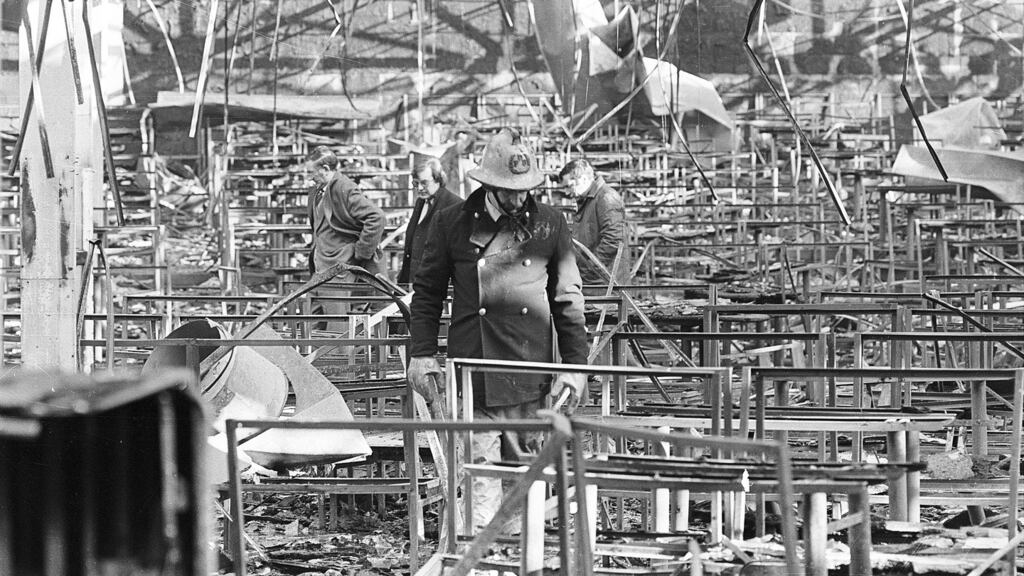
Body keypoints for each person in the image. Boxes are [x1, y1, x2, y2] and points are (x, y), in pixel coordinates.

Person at [406, 128, 588, 530]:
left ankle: (520, 557)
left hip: (530, 369)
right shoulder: (451, 223)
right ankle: (480, 557)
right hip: (475, 368)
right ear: (487, 184)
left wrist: (576, 367)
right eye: (508, 191)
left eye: (525, 190)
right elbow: (427, 293)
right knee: (478, 470)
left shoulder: (550, 224)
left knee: (525, 472)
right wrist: (421, 354)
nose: (518, 199)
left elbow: (568, 299)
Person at [305, 146, 386, 330]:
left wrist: (360, 253)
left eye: (312, 172)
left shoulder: (344, 187)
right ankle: (311, 358)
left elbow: (376, 218)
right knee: (313, 322)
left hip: (338, 267)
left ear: (325, 169)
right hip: (321, 266)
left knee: (338, 326)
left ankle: (339, 359)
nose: (309, 176)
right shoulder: (318, 190)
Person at [558, 158, 631, 286]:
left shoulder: (606, 197)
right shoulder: (588, 200)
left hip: (605, 284)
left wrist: (589, 269)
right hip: (595, 281)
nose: (567, 192)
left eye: (569, 186)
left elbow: (613, 240)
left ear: (584, 179)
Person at [397, 158, 462, 285]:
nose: (420, 188)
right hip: (416, 280)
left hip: (436, 284)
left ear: (438, 179)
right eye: (416, 183)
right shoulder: (421, 202)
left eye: (424, 183)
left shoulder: (454, 205)